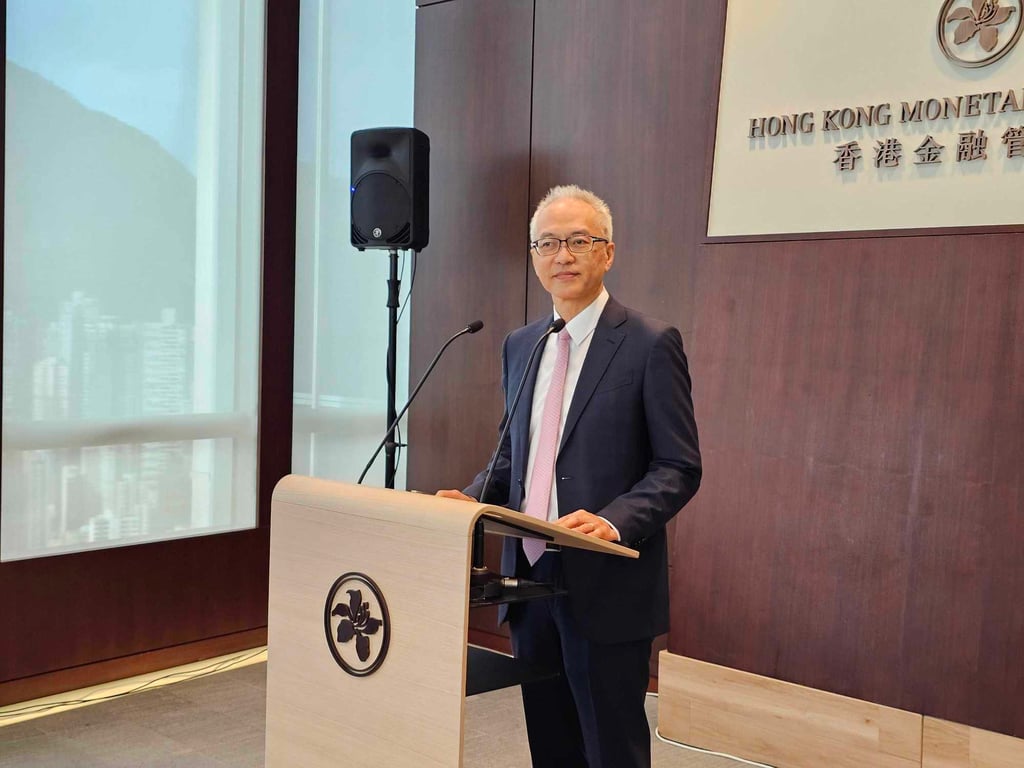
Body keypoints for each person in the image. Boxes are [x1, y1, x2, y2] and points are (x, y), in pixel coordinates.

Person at [438, 185, 701, 768]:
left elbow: (679, 466)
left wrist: (612, 521)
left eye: (579, 240)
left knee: (611, 749)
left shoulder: (650, 343)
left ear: (608, 252)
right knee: (551, 745)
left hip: (605, 581)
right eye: (548, 243)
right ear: (534, 258)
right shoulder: (521, 345)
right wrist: (472, 499)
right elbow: (514, 458)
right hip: (529, 582)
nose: (563, 255)